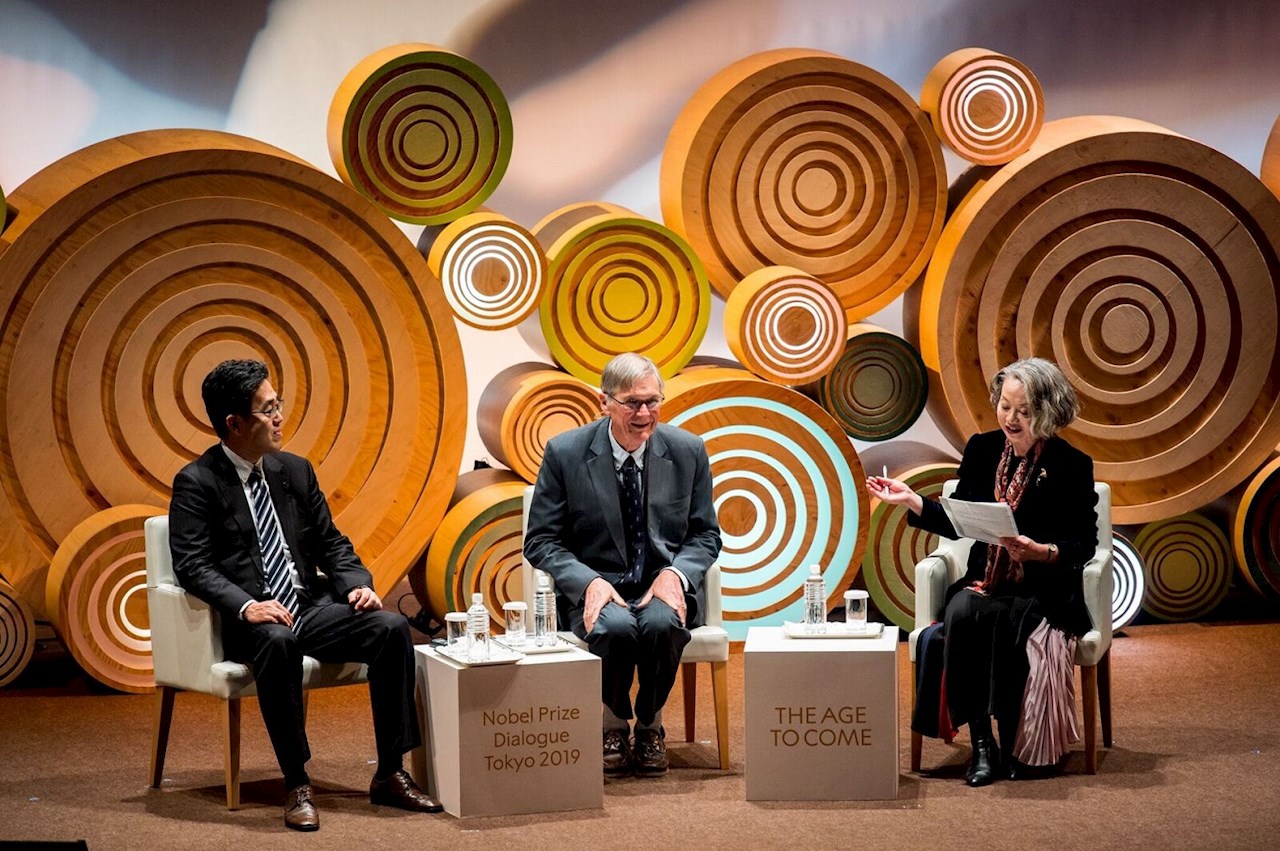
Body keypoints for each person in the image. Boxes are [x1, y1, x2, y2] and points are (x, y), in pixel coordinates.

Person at [168, 359, 442, 831]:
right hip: (253, 620)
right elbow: (192, 565)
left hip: (307, 606)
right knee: (278, 641)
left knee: (391, 627)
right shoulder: (197, 482)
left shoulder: (293, 471)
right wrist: (247, 605)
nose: (279, 418)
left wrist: (357, 585)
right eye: (267, 410)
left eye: (278, 404)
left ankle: (389, 772)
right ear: (234, 424)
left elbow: (331, 543)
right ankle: (296, 782)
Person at [867, 357, 1098, 786]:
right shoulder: (982, 449)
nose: (1011, 418)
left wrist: (1042, 552)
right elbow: (958, 518)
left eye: (1024, 410)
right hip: (986, 579)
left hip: (1042, 587)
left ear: (1048, 411)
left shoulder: (1071, 465)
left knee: (1013, 623)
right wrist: (912, 499)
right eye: (1005, 406)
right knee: (963, 613)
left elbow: (1084, 543)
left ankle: (1015, 743)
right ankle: (982, 745)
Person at [524, 352, 721, 777]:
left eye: (652, 401)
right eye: (632, 403)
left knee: (661, 625)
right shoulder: (565, 453)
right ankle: (612, 725)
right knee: (614, 628)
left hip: (659, 583)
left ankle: (650, 726)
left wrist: (675, 574)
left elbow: (706, 534)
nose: (644, 414)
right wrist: (587, 582)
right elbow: (540, 540)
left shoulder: (688, 451)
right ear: (604, 402)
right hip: (598, 584)